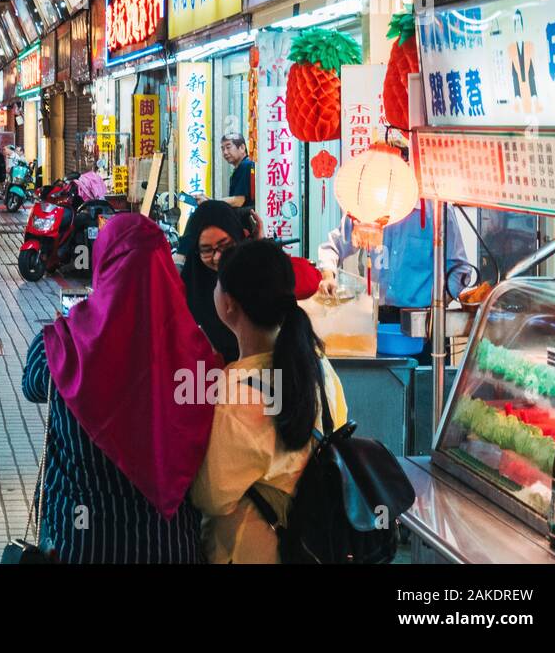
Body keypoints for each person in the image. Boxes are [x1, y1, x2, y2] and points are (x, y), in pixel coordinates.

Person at [22, 214, 216, 562]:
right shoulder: (197, 351)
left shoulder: (66, 344)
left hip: (82, 543)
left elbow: (33, 383)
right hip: (168, 545)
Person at [191, 239, 349, 564]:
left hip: (255, 550)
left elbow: (211, 498)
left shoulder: (238, 398)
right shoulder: (319, 365)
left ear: (229, 304)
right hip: (318, 545)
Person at [316, 200, 468, 353]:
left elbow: (460, 270)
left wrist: (438, 305)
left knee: (425, 375)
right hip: (379, 321)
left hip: (425, 323)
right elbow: (332, 247)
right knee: (384, 375)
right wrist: (328, 275)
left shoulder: (437, 209)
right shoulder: (369, 204)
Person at [179, 201, 253, 364]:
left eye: (225, 245)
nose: (217, 257)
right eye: (206, 250)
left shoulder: (258, 278)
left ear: (239, 237)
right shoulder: (186, 291)